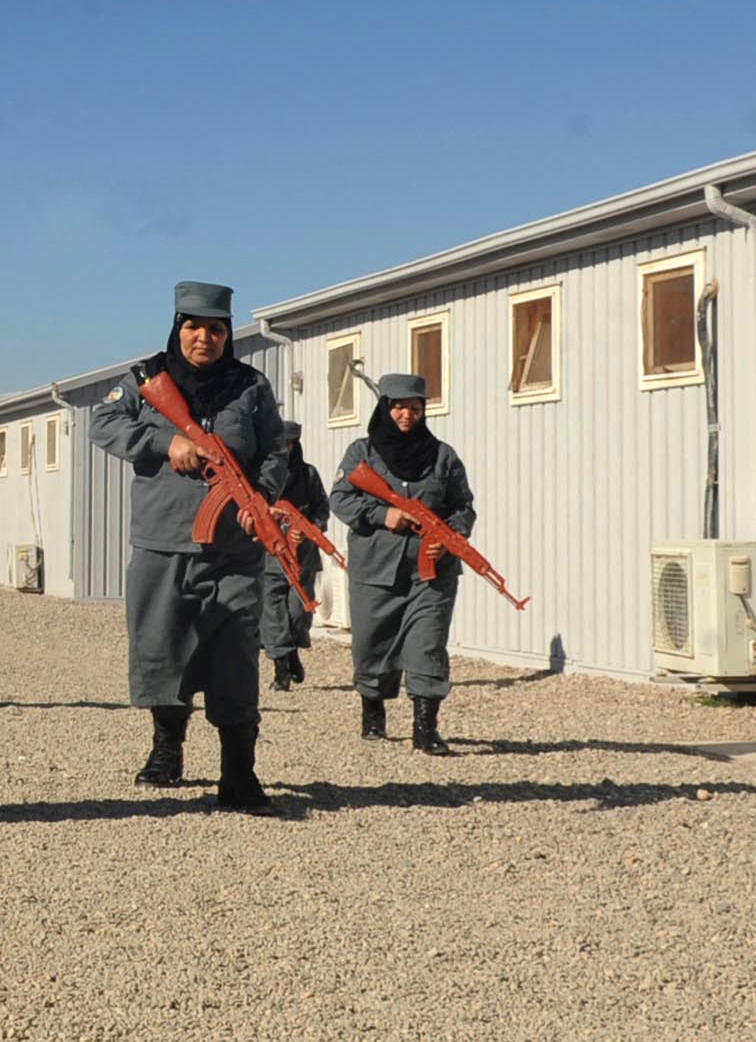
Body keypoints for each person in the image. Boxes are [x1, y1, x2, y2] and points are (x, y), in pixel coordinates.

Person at [88, 282, 288, 811]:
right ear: (177, 328)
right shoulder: (146, 378)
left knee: (236, 655)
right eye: (193, 327)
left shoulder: (250, 387)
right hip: (163, 542)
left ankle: (239, 775)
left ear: (228, 334)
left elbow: (274, 450)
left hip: (234, 551)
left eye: (216, 328)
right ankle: (166, 749)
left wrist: (260, 498)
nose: (204, 337)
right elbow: (103, 423)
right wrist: (163, 441)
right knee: (163, 649)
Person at [331, 373, 477, 756]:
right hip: (374, 568)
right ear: (385, 408)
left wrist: (449, 539)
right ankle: (373, 710)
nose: (406, 415)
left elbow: (464, 507)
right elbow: (341, 499)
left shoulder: (443, 456)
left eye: (415, 408)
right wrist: (384, 516)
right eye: (398, 407)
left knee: (428, 644)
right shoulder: (361, 453)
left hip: (430, 574)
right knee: (370, 643)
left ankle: (425, 727)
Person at [259, 420, 329, 692]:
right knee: (273, 613)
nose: (284, 450)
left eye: (288, 444)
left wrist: (310, 528)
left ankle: (292, 651)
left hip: (302, 556)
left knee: (298, 611)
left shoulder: (308, 475)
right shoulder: (262, 474)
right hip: (270, 554)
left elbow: (322, 507)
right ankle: (281, 667)